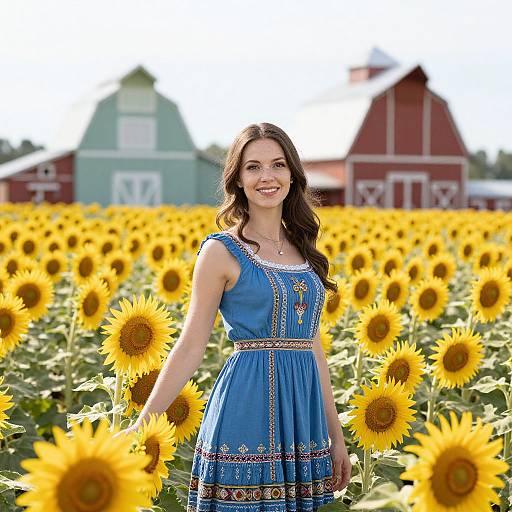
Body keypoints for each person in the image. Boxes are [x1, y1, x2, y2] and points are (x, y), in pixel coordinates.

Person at [118, 122, 352, 511]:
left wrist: (336, 434)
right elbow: (192, 345)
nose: (267, 177)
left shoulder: (304, 250)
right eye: (253, 167)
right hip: (246, 408)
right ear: (238, 180)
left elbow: (313, 346)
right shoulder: (221, 251)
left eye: (278, 165)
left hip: (304, 419)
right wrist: (143, 422)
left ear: (293, 175)